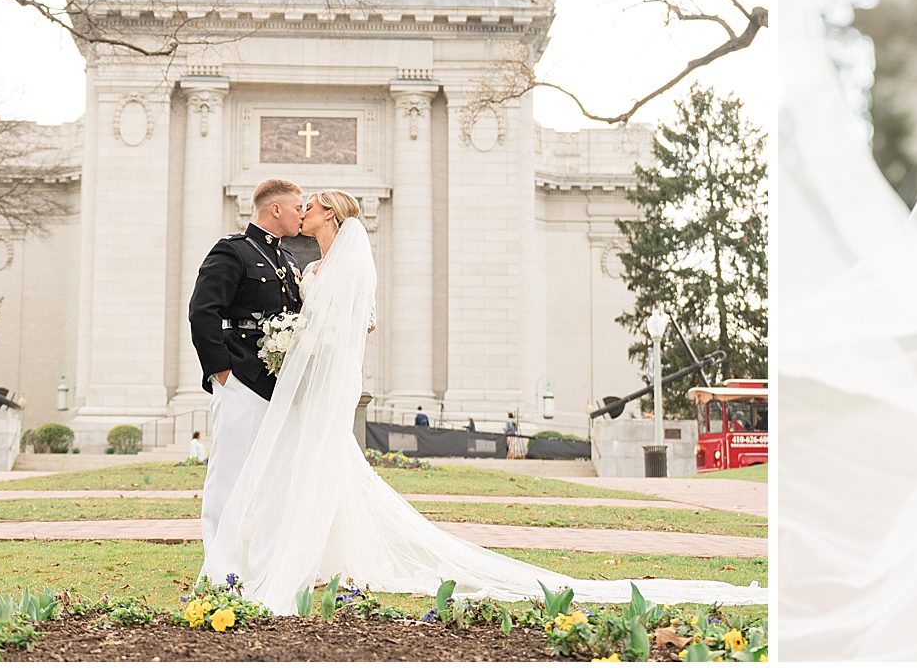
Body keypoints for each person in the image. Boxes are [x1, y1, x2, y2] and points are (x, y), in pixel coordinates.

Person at [203, 190, 767, 613]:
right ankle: (305, 563)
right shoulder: (310, 267)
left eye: (312, 207)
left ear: (332, 216)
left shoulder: (338, 267)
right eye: (298, 205)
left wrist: (314, 340)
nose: (303, 212)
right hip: (302, 388)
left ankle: (294, 565)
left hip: (320, 389)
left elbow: (358, 324)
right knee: (312, 477)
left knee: (315, 475)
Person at [188, 177, 305, 550]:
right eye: (297, 207)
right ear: (275, 209)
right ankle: (222, 569)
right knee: (229, 476)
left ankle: (262, 566)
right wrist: (220, 372)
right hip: (240, 377)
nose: (302, 214)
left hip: (277, 383)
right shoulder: (232, 251)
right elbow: (203, 311)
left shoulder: (286, 259)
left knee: (276, 479)